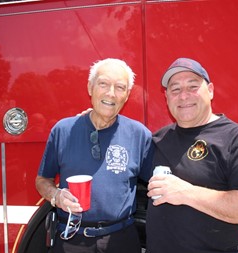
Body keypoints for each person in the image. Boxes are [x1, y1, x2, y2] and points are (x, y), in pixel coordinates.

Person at [146, 57, 238, 253]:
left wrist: (186, 193)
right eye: (175, 89)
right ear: (167, 97)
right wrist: (94, 119)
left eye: (192, 86)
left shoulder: (236, 140)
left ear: (210, 90)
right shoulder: (158, 140)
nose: (184, 96)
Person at [35, 58, 153, 253]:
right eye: (103, 84)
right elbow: (42, 180)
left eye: (120, 87)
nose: (110, 93)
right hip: (71, 239)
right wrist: (55, 195)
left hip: (122, 240)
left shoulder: (139, 135)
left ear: (127, 95)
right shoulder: (63, 130)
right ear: (90, 87)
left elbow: (158, 183)